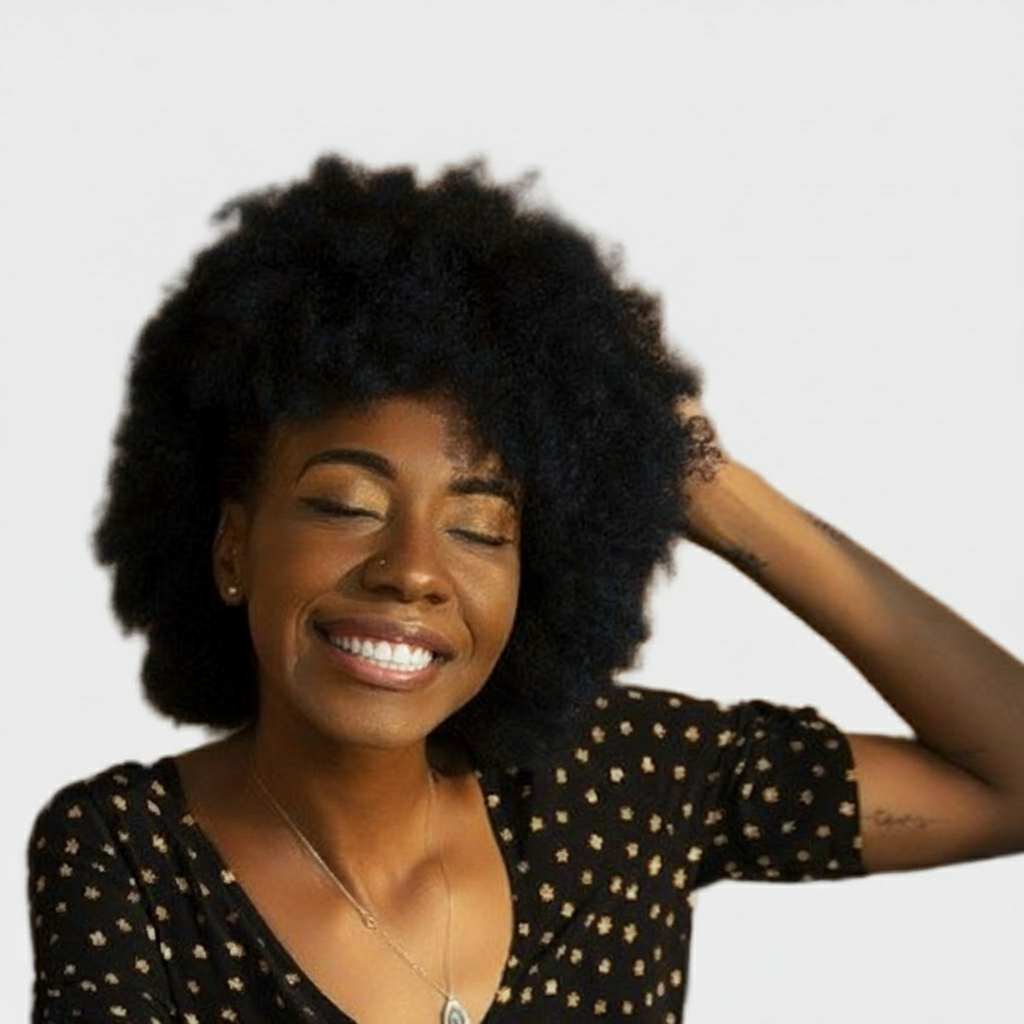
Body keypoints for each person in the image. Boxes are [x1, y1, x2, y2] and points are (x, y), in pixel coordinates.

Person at [28, 155, 1024, 1024]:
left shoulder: (621, 784)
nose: (413, 568)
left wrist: (702, 484)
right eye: (344, 502)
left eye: (478, 527)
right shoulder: (129, 858)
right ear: (232, 547)